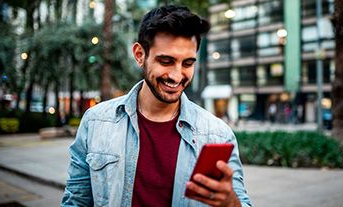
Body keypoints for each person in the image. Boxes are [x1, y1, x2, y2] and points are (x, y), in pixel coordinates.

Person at [61, 5, 252, 207]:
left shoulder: (218, 134)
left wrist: (231, 203)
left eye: (187, 63)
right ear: (139, 54)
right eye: (166, 61)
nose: (177, 75)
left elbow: (242, 203)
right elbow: (76, 202)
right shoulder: (96, 121)